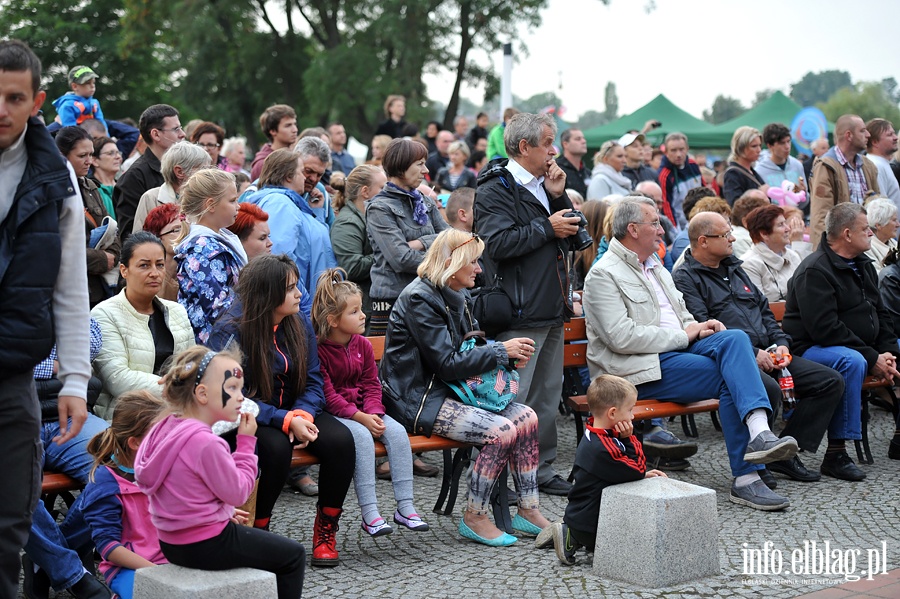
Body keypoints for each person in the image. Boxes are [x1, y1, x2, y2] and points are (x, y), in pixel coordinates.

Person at [582, 196, 800, 510]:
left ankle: (760, 437)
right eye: (654, 222)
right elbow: (620, 338)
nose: (662, 229)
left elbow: (682, 314)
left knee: (734, 337)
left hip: (676, 351)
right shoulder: (604, 274)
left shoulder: (656, 266)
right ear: (632, 229)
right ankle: (748, 472)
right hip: (637, 369)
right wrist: (684, 334)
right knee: (730, 378)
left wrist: (698, 326)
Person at [381, 228, 552, 545]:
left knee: (527, 417)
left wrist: (505, 358)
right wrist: (501, 352)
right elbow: (446, 363)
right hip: (418, 401)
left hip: (453, 391)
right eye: (472, 261)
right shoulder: (420, 298)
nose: (479, 269)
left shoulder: (453, 294)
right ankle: (475, 516)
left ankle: (528, 511)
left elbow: (465, 352)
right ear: (451, 261)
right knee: (500, 432)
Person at [0, 40, 92, 598]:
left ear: (36, 102)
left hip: (13, 378)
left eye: (14, 97)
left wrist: (77, 378)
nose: (1, 109)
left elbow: (70, 287)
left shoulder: (56, 177)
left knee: (9, 527)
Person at [673, 211, 844, 485]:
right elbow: (704, 329)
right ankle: (763, 460)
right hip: (735, 357)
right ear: (703, 241)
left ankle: (784, 453)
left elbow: (764, 311)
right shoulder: (685, 278)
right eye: (725, 234)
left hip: (770, 350)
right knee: (769, 388)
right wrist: (754, 353)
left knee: (829, 381)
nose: (732, 238)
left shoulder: (735, 267)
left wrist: (781, 345)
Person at [207, 255, 355, 565]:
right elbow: (230, 396)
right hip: (247, 416)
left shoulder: (298, 320)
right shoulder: (231, 329)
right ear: (267, 293)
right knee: (274, 450)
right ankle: (259, 532)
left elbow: (314, 381)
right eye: (290, 288)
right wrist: (284, 420)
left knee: (341, 442)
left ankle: (325, 531)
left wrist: (302, 415)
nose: (300, 293)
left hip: (295, 410)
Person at [134, 346, 306, 598]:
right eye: (232, 388)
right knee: (293, 556)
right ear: (202, 394)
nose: (241, 397)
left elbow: (188, 489)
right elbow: (239, 493)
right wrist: (246, 443)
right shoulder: (206, 443)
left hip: (171, 542)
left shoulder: (164, 428)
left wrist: (220, 511)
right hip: (207, 544)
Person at [474, 112, 582, 495]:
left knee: (547, 397)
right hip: (520, 308)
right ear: (524, 147)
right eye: (548, 143)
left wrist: (558, 196)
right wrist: (546, 227)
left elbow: (576, 236)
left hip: (552, 305)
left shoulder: (545, 184)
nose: (554, 151)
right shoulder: (494, 188)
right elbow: (497, 244)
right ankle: (500, 477)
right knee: (514, 399)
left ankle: (540, 470)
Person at [783, 202, 900, 477]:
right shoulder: (816, 270)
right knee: (851, 361)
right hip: (808, 349)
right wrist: (873, 357)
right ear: (847, 234)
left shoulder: (863, 265)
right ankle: (836, 453)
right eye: (865, 228)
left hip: (858, 347)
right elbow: (825, 329)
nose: (871, 233)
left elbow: (880, 313)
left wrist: (886, 351)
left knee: (863, 357)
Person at [312, 268, 430, 537]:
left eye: (360, 308)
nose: (363, 315)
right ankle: (370, 513)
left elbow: (371, 384)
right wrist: (360, 418)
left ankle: (405, 507)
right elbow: (329, 396)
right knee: (362, 440)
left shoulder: (362, 345)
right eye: (354, 312)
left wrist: (375, 413)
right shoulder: (319, 351)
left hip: (366, 411)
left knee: (398, 433)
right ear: (332, 320)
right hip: (339, 415)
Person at [546, 375, 666, 565]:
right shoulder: (603, 449)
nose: (632, 416)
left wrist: (641, 474)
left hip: (582, 509)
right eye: (630, 409)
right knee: (627, 543)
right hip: (589, 523)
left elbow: (629, 470)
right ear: (612, 413)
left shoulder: (596, 431)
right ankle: (569, 535)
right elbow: (637, 468)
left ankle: (571, 528)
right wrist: (629, 438)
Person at [74, 391, 169, 599]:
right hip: (130, 568)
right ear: (135, 443)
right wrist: (156, 573)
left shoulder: (164, 468)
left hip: (171, 560)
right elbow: (108, 547)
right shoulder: (105, 484)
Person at [91, 232, 195, 419]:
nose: (154, 273)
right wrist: (177, 390)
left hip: (179, 411)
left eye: (160, 265)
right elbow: (118, 378)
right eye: (144, 265)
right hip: (129, 417)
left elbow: (192, 364)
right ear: (124, 270)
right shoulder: (104, 314)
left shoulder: (177, 311)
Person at [366, 138, 449, 335]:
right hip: (392, 301)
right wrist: (441, 256)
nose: (426, 170)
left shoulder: (425, 203)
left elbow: (453, 241)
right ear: (400, 165)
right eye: (419, 164)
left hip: (427, 295)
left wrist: (421, 242)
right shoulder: (379, 208)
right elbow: (401, 259)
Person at [244, 148, 337, 295]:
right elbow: (279, 263)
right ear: (288, 176)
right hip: (298, 303)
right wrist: (303, 306)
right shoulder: (280, 203)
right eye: (302, 172)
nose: (306, 178)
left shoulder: (288, 203)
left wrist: (317, 213)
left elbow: (308, 244)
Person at [173, 169, 246, 343]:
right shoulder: (203, 250)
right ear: (211, 205)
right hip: (213, 345)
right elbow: (218, 308)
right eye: (232, 200)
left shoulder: (220, 240)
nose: (239, 205)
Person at [56, 126, 121, 308]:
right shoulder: (52, 191)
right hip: (70, 288)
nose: (89, 161)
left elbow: (112, 228)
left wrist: (113, 255)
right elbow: (56, 246)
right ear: (63, 155)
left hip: (99, 288)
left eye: (91, 155)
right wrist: (100, 259)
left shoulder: (90, 186)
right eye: (82, 156)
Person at [113, 104, 186, 241]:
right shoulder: (134, 177)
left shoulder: (181, 168)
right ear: (156, 134)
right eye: (176, 129)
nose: (183, 134)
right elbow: (130, 237)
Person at [809, 115, 881, 248]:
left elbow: (878, 211)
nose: (868, 134)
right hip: (840, 250)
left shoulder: (868, 166)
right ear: (849, 135)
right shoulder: (825, 166)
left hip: (867, 247)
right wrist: (826, 255)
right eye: (862, 130)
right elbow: (821, 216)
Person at [330, 164, 387, 327]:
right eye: (382, 188)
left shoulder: (370, 216)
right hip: (364, 310)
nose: (388, 193)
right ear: (365, 192)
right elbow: (352, 266)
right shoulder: (347, 223)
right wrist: (387, 252)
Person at [132, 140, 211, 233]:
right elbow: (140, 241)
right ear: (179, 172)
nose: (209, 175)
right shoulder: (151, 198)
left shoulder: (207, 199)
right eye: (202, 169)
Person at [740, 204, 808, 303]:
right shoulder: (748, 264)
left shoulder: (793, 256)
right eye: (781, 225)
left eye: (785, 223)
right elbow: (758, 306)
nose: (788, 229)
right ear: (764, 234)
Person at [657, 132, 703, 230]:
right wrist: (675, 232)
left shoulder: (693, 165)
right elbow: (666, 206)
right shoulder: (664, 175)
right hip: (681, 227)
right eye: (673, 150)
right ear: (666, 152)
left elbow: (704, 191)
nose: (678, 154)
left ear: (687, 149)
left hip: (701, 220)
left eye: (681, 149)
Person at [755, 123, 808, 204]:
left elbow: (805, 201)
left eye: (788, 141)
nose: (787, 147)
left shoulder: (797, 165)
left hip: (797, 215)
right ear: (770, 146)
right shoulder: (760, 171)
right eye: (782, 143)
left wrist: (803, 193)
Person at [141, 203, 181, 301]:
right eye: (176, 230)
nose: (183, 234)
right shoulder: (150, 279)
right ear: (158, 237)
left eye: (185, 228)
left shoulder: (189, 271)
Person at [250, 104, 298, 181]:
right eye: (288, 125)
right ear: (272, 131)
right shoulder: (263, 164)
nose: (295, 130)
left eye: (295, 124)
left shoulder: (297, 157)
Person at [722, 126, 769, 205]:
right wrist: (758, 194)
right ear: (741, 148)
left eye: (759, 145)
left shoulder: (752, 171)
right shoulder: (733, 174)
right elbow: (735, 205)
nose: (759, 150)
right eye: (754, 146)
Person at [52, 65, 107, 132]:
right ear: (75, 86)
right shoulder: (67, 106)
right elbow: (70, 131)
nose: (92, 86)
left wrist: (106, 139)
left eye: (93, 82)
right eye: (87, 83)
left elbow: (102, 126)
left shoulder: (95, 103)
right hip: (78, 139)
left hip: (95, 138)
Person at [865, 118, 900, 209]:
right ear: (875, 142)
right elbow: (882, 206)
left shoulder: (881, 163)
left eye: (894, 133)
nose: (896, 137)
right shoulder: (876, 165)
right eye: (890, 135)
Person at [864, 196, 899, 271]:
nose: (898, 225)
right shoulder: (867, 248)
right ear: (879, 225)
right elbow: (879, 278)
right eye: (894, 220)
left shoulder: (894, 243)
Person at [90, 136, 122, 217]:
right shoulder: (90, 190)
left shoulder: (123, 187)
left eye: (118, 152)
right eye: (111, 153)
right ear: (94, 161)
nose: (118, 157)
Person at [556, 128, 590, 197]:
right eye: (578, 139)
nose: (583, 141)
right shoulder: (557, 170)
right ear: (565, 144)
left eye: (583, 138)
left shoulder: (587, 172)